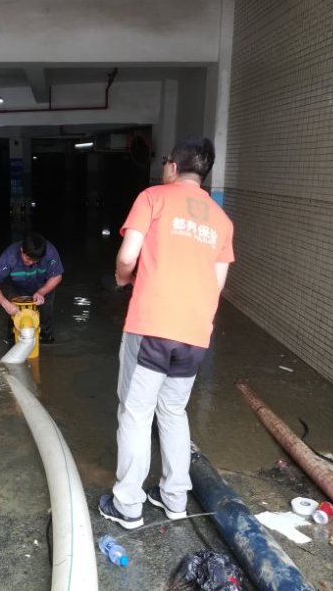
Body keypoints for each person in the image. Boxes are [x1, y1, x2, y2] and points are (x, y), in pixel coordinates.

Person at [99, 135, 234, 529]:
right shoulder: (222, 221)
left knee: (136, 414)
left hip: (153, 325)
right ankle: (175, 498)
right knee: (173, 412)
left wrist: (122, 279)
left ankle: (128, 505)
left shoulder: (153, 197)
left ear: (173, 166)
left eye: (165, 163)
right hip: (195, 332)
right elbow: (218, 283)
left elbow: (127, 256)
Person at [0, 232, 64, 343]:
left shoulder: (50, 253)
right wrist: (5, 303)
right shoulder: (9, 256)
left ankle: (46, 340)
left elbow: (57, 276)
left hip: (44, 286)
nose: (31, 263)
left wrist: (41, 292)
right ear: (22, 249)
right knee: (14, 316)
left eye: (35, 261)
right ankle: (12, 341)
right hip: (19, 286)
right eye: (28, 259)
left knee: (46, 312)